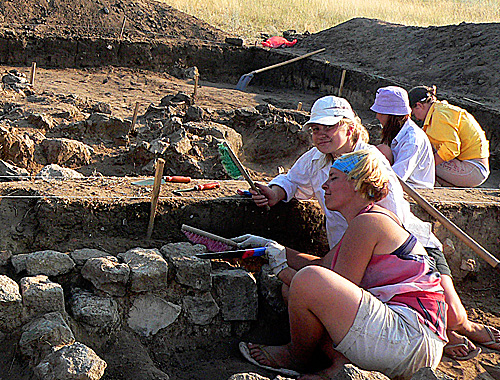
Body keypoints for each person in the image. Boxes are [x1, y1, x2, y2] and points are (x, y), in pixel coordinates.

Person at [246, 95, 500, 361]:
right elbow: (291, 181)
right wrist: (275, 193)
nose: (320, 135)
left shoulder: (372, 175)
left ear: (350, 128)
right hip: (356, 250)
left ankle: (459, 329)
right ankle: (339, 359)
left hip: (401, 254)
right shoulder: (316, 160)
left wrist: (281, 267)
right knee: (302, 289)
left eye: (328, 127)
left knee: (454, 316)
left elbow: (390, 234)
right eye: (315, 129)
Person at [238, 150, 447, 379]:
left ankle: (295, 358)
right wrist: (271, 247)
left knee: (306, 281)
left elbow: (330, 284)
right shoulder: (368, 220)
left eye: (333, 178)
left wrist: (282, 269)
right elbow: (324, 265)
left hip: (408, 339)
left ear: (357, 183)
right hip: (408, 340)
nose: (325, 186)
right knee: (294, 288)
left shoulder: (369, 223)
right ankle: (339, 364)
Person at [408, 85, 490, 187]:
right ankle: (448, 186)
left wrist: (425, 165)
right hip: (474, 168)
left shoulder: (439, 116)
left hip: (474, 170)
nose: (415, 117)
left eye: (413, 112)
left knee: (420, 162)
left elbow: (452, 148)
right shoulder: (439, 111)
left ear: (419, 106)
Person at [371, 86, 435, 189]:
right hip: (399, 183)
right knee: (381, 150)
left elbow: (398, 177)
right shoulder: (398, 132)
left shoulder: (412, 140)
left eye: (381, 113)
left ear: (393, 116)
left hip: (414, 188)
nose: (377, 117)